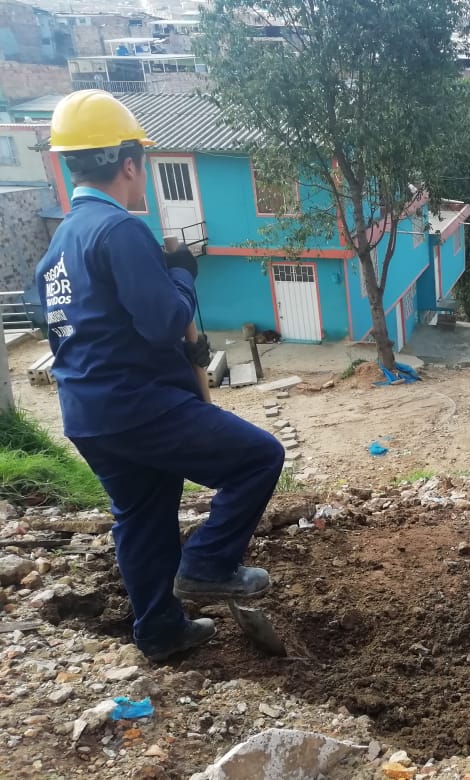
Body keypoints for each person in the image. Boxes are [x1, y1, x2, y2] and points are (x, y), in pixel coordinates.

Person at [35, 90, 285, 662]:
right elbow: (164, 322)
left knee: (143, 517)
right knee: (257, 457)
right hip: (139, 404)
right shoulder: (117, 231)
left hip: (89, 413)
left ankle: (160, 631)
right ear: (129, 163)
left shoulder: (62, 241)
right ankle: (207, 565)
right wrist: (181, 273)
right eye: (143, 163)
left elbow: (57, 324)